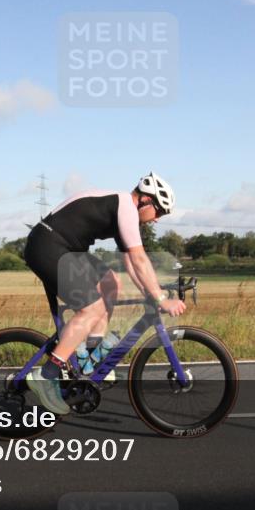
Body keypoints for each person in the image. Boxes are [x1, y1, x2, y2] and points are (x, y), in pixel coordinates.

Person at [22, 172, 186, 415]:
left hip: (64, 249)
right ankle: (47, 375)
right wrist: (161, 298)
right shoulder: (126, 207)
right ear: (146, 201)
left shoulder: (122, 208)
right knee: (92, 308)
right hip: (48, 247)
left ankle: (90, 360)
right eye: (160, 211)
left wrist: (151, 293)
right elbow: (140, 258)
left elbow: (131, 262)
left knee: (110, 283)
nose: (157, 220)